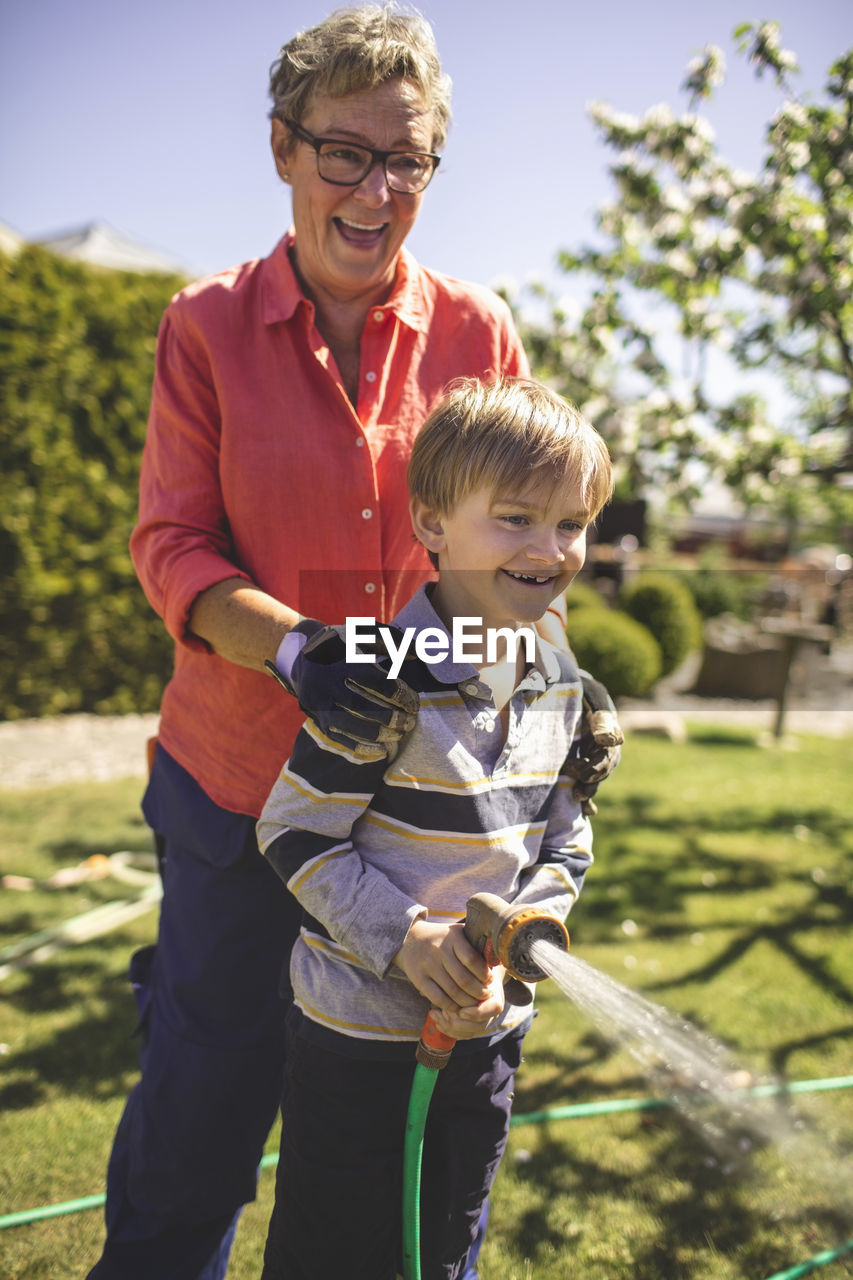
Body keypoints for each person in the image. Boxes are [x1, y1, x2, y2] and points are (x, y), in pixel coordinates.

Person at [86, 8, 541, 1279]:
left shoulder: (475, 336)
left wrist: (545, 689)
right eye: (344, 153)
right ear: (282, 149)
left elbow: (515, 546)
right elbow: (170, 543)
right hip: (234, 783)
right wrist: (296, 650)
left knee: (369, 1136)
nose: (375, 189)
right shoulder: (207, 326)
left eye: (407, 160)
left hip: (402, 808)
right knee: (203, 1111)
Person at [256, 376, 614, 1280]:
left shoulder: (561, 684)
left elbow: (565, 840)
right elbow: (294, 833)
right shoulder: (380, 679)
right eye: (516, 518)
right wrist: (408, 938)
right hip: (357, 1040)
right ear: (430, 525)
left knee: (445, 1247)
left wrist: (521, 937)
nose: (550, 548)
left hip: (487, 1036)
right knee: (332, 1254)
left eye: (571, 524)